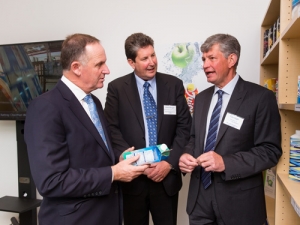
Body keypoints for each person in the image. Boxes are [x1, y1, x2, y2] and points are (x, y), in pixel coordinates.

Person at [24, 33, 149, 225]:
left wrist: (119, 157)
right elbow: (52, 181)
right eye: (99, 64)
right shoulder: (45, 108)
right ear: (76, 68)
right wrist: (114, 173)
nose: (106, 70)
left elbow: (94, 151)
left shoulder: (94, 102)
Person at [179, 33, 282, 225]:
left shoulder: (260, 98)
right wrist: (186, 155)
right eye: (203, 59)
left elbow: (270, 151)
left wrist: (225, 163)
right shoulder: (201, 100)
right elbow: (194, 139)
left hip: (239, 205)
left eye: (212, 58)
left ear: (231, 59)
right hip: (199, 202)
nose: (205, 65)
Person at [104, 32, 192, 225]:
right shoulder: (117, 89)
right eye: (144, 58)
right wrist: (134, 163)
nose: (152, 62)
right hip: (132, 181)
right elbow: (111, 129)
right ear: (131, 62)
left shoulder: (173, 85)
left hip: (166, 179)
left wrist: (168, 163)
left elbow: (185, 127)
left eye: (153, 55)